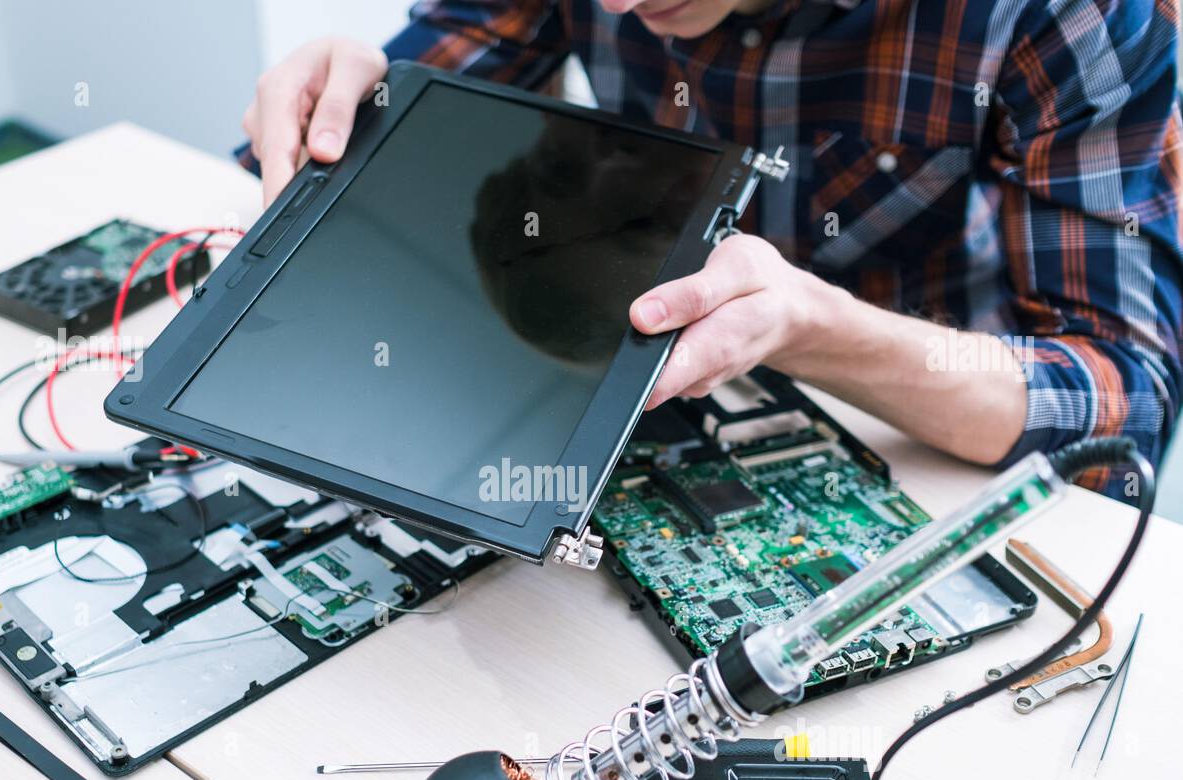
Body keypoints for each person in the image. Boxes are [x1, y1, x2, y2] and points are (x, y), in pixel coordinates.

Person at [240, 0, 1182, 498]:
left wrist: (816, 329)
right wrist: (345, 113)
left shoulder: (1066, 12)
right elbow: (427, 69)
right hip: (674, 410)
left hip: (925, 419)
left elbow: (1126, 401)